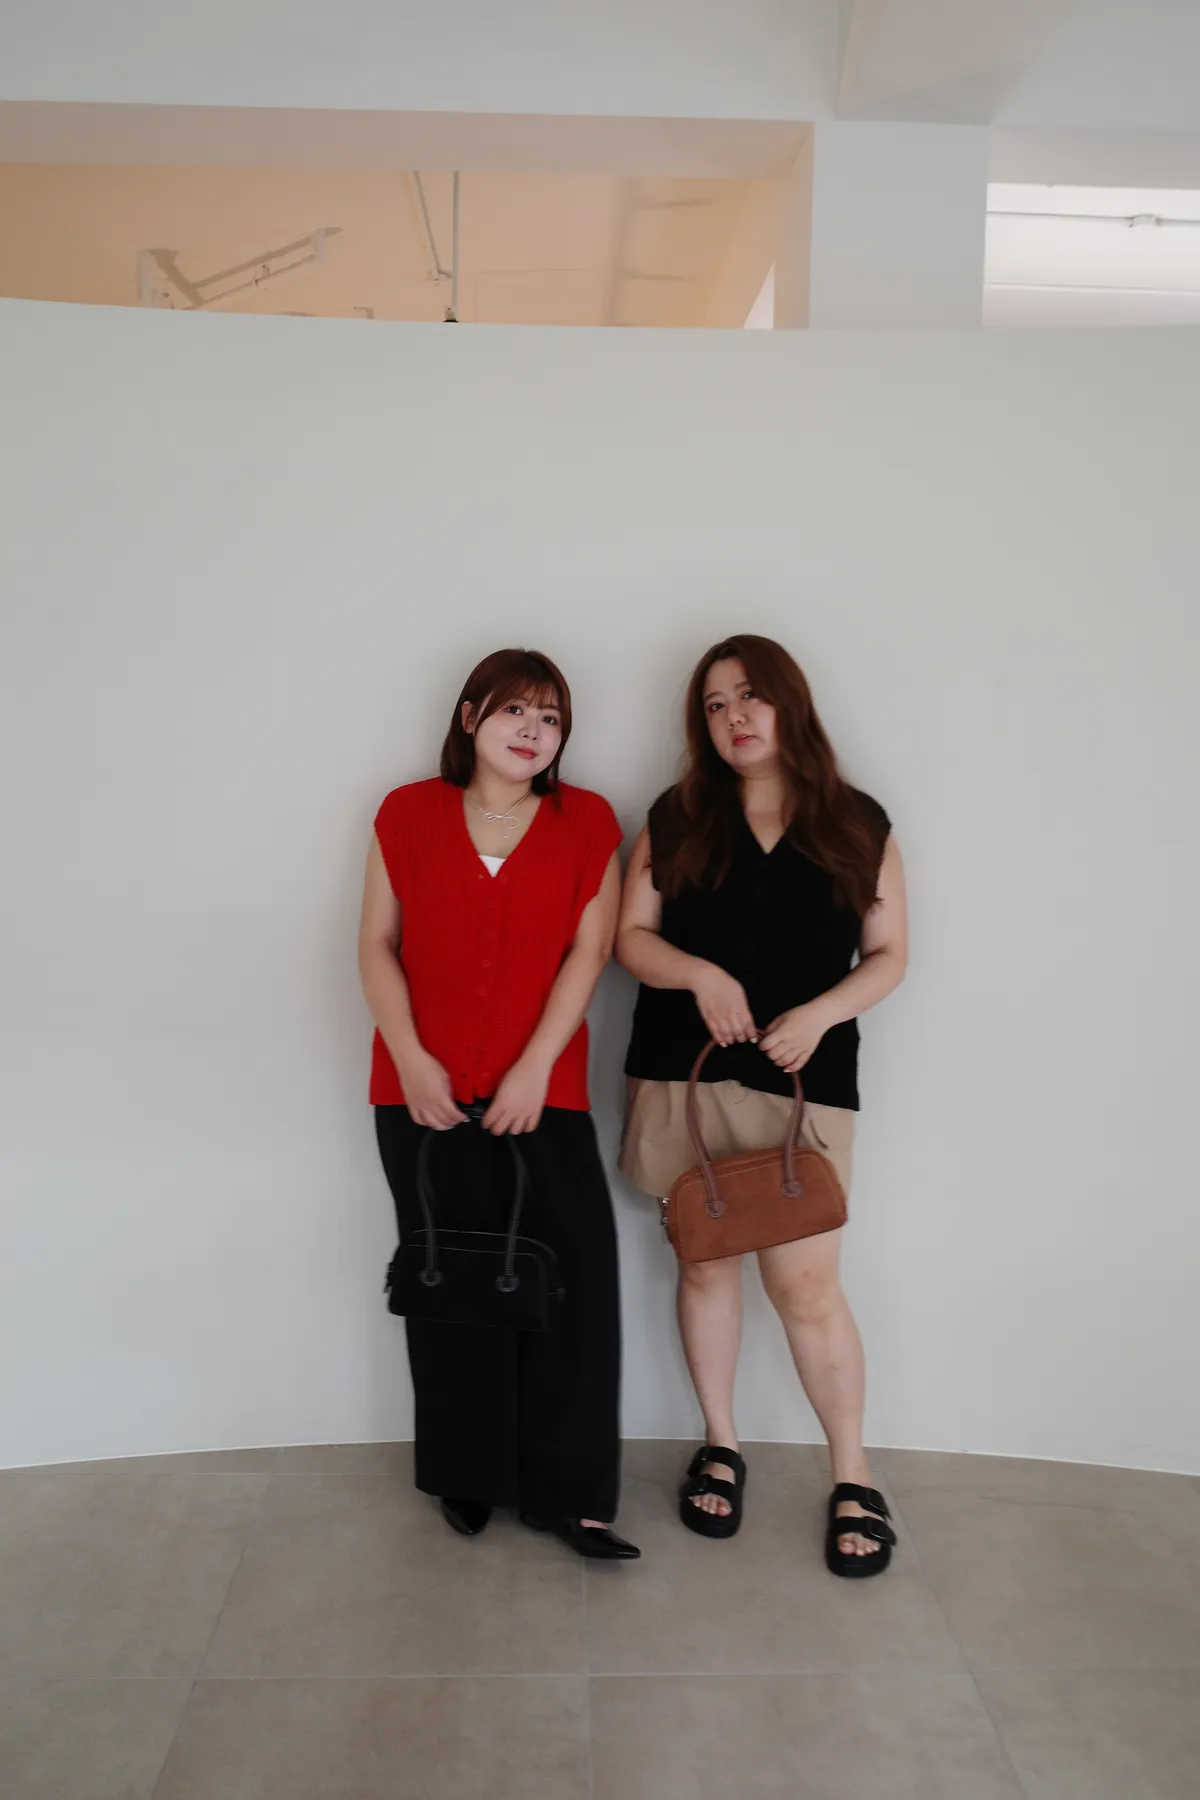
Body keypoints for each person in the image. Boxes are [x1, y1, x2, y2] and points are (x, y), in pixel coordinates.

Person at [616, 634, 908, 1577]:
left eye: (751, 696)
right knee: (706, 1271)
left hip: (804, 1088)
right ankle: (721, 1442)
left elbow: (890, 956)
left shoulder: (858, 822)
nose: (734, 717)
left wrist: (820, 1014)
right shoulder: (677, 816)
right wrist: (698, 975)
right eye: (714, 704)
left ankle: (853, 1473)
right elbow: (631, 938)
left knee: (807, 1289)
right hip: (686, 1079)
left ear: (790, 703)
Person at [359, 647, 639, 1561]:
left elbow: (591, 952)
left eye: (551, 718)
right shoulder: (406, 812)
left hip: (544, 1090)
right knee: (453, 1285)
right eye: (517, 709)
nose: (533, 730)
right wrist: (412, 1061)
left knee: (575, 1285)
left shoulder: (587, 820)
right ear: (471, 714)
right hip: (418, 1093)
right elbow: (376, 945)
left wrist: (534, 1069)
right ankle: (468, 1476)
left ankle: (572, 1493)